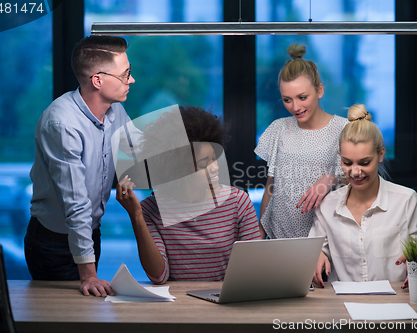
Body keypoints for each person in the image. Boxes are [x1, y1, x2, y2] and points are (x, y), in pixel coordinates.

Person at [24, 35, 136, 296]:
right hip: (53, 243)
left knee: (90, 311)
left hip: (91, 232)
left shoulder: (115, 111)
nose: (131, 80)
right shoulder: (61, 124)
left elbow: (135, 154)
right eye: (125, 74)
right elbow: (76, 203)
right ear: (98, 80)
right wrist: (89, 275)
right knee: (66, 317)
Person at [116, 106, 260, 284]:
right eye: (204, 164)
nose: (215, 168)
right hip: (178, 306)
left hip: (225, 303)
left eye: (214, 159)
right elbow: (159, 276)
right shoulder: (151, 209)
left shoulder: (238, 202)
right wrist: (136, 216)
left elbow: (254, 270)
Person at [311, 104, 417, 289]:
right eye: (347, 163)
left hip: (395, 304)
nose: (355, 172)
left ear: (381, 154)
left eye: (365, 163)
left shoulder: (406, 200)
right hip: (340, 307)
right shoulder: (327, 206)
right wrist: (316, 255)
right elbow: (313, 251)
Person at [255, 44, 348, 239]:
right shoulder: (279, 128)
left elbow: (362, 179)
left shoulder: (343, 129)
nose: (295, 107)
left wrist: (332, 178)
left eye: (302, 97)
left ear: (320, 90)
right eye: (287, 99)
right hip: (279, 239)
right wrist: (260, 234)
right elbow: (271, 187)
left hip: (324, 240)